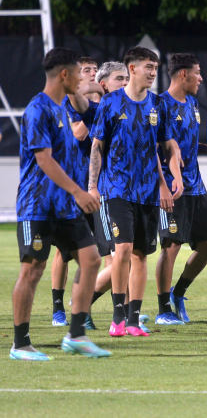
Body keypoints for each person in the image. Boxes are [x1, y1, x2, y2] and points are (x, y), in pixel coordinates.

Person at [12, 48, 109, 360]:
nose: (84, 78)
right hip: (37, 205)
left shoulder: (64, 108)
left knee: (92, 259)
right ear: (65, 74)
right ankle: (20, 344)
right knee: (33, 270)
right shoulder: (37, 110)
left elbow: (95, 118)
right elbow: (44, 160)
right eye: (79, 73)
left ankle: (76, 335)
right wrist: (80, 192)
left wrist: (82, 99)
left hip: (64, 206)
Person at [89, 46, 183, 338]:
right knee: (123, 250)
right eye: (148, 67)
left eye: (155, 67)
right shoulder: (111, 103)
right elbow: (97, 147)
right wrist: (92, 186)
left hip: (147, 192)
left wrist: (166, 183)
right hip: (116, 189)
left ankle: (133, 319)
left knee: (141, 255)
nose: (153, 72)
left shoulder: (158, 105)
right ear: (132, 69)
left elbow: (162, 147)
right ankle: (117, 317)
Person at [155, 54, 207, 325]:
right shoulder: (160, 104)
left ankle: (178, 292)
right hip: (173, 188)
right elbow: (158, 145)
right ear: (183, 74)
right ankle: (163, 310)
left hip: (196, 186)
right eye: (197, 73)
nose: (201, 78)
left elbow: (185, 143)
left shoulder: (194, 104)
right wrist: (167, 179)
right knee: (171, 245)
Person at [49, 57, 105, 327]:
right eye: (86, 72)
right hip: (70, 189)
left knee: (93, 252)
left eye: (96, 71)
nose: (92, 76)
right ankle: (58, 308)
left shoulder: (97, 107)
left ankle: (84, 311)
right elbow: (78, 135)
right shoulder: (64, 106)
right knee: (63, 251)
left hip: (96, 190)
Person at [84, 62, 131, 329]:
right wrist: (94, 84)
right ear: (104, 85)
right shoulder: (98, 108)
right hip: (106, 190)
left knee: (124, 258)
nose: (125, 83)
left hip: (132, 192)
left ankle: (125, 311)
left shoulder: (130, 106)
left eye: (127, 78)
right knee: (117, 257)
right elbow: (87, 139)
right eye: (118, 79)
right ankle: (85, 304)